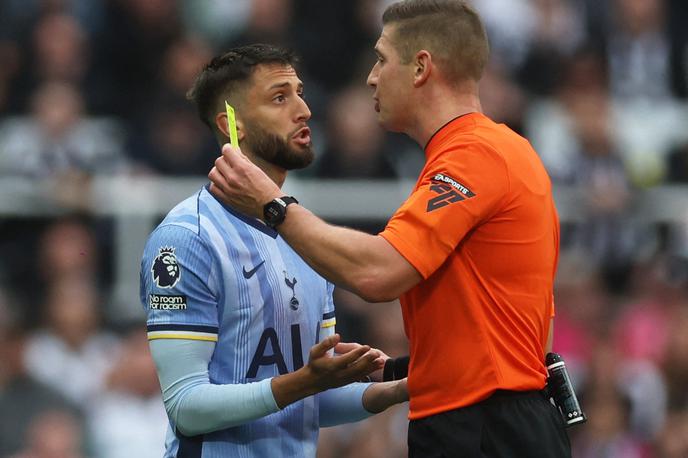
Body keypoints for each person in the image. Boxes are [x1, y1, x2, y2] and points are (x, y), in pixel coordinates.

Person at [207, 1, 572, 456]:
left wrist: (272, 205)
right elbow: (509, 328)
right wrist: (398, 369)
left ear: (421, 67)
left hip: (485, 427)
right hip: (493, 420)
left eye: (381, 59)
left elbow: (378, 273)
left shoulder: (476, 156)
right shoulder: (486, 153)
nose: (371, 77)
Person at [139, 44, 408, 458]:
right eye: (280, 97)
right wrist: (305, 381)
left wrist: (395, 390)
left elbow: (306, 403)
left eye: (300, 93)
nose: (304, 110)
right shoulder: (185, 239)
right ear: (233, 126)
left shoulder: (306, 235)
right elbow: (186, 407)